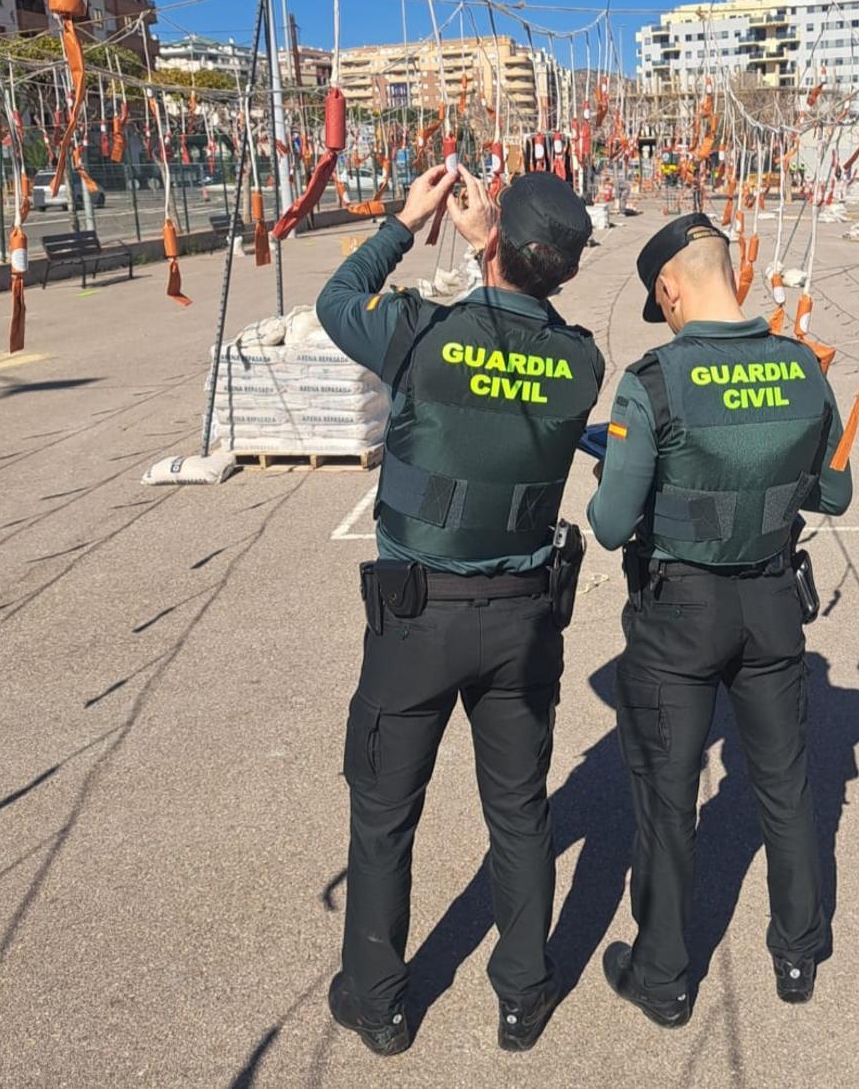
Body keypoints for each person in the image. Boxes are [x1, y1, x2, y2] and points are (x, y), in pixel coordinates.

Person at [316, 163, 604, 1056]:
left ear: (494, 245)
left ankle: (379, 1000)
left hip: (417, 617)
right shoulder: (580, 359)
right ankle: (523, 994)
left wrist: (407, 223)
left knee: (385, 811)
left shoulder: (421, 333)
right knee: (518, 810)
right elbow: (529, 332)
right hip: (522, 617)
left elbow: (337, 301)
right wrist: (500, 252)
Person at [587, 211, 852, 1027]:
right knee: (787, 785)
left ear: (669, 288)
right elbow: (834, 494)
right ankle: (799, 949)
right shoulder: (806, 366)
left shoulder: (655, 379)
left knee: (669, 797)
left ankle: (664, 975)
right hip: (773, 605)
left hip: (679, 617)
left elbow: (607, 524)